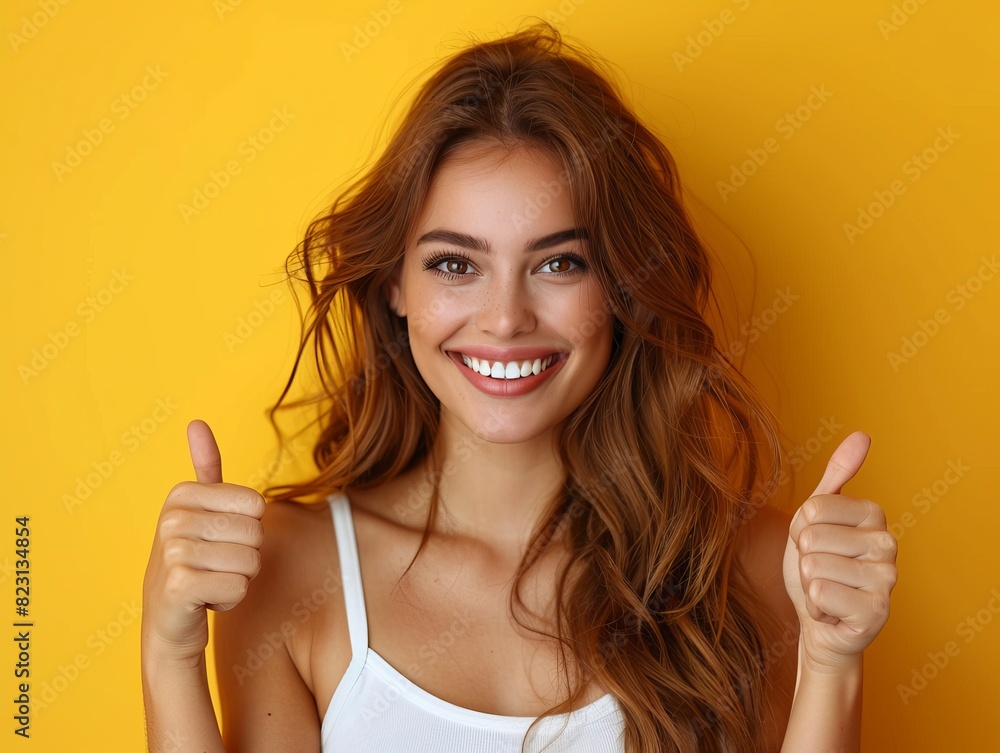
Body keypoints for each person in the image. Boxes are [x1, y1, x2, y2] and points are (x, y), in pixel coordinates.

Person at [141, 21, 898, 752]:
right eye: (455, 264)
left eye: (559, 262)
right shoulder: (288, 568)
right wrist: (168, 656)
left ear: (621, 287)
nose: (505, 319)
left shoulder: (754, 565)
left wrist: (832, 663)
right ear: (395, 286)